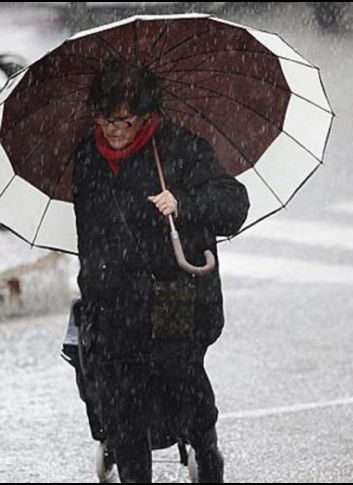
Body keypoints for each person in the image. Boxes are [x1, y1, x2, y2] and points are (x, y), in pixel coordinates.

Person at [71, 60, 249, 483]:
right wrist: (93, 289)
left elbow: (234, 204)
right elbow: (88, 234)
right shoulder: (87, 156)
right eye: (105, 118)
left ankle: (206, 449)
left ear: (146, 114)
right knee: (121, 405)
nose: (113, 130)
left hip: (174, 296)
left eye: (124, 120)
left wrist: (182, 204)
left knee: (183, 385)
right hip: (114, 301)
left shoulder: (179, 148)